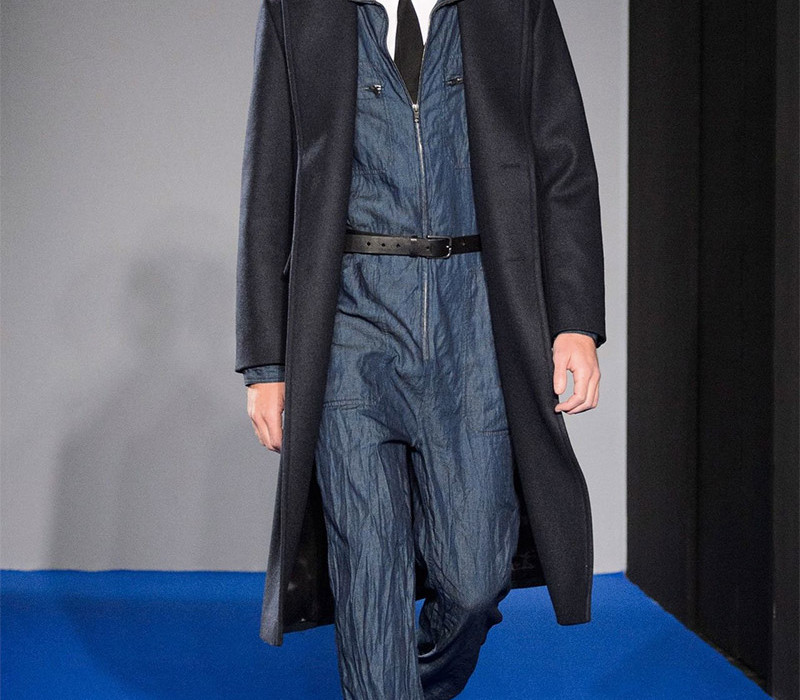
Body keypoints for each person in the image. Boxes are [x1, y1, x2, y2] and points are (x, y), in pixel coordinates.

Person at [236, 0, 605, 697]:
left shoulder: (514, 8)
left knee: (475, 580)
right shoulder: (300, 10)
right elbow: (268, 183)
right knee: (369, 582)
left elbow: (563, 165)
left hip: (476, 326)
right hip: (349, 328)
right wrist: (266, 363)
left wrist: (576, 322)